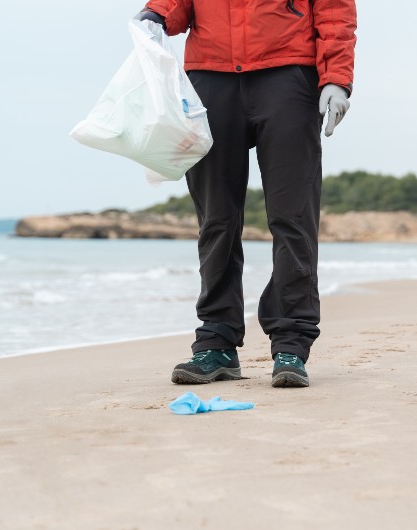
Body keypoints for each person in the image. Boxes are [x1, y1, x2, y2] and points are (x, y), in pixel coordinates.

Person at [135, 1, 357, 388]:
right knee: (216, 220)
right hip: (209, 78)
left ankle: (291, 343)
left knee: (293, 217)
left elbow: (335, 14)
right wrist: (157, 14)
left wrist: (336, 78)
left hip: (289, 78)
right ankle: (216, 343)